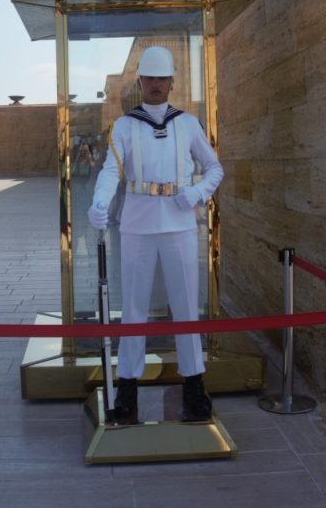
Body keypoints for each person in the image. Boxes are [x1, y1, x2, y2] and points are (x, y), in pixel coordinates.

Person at [87, 46, 224, 424]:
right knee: (133, 308)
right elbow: (111, 172)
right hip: (138, 224)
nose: (157, 85)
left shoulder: (188, 123)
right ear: (141, 82)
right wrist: (99, 203)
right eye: (150, 79)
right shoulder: (125, 126)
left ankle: (194, 384)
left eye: (163, 79)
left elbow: (214, 168)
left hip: (179, 223)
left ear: (172, 83)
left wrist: (196, 194)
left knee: (185, 308)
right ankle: (127, 387)